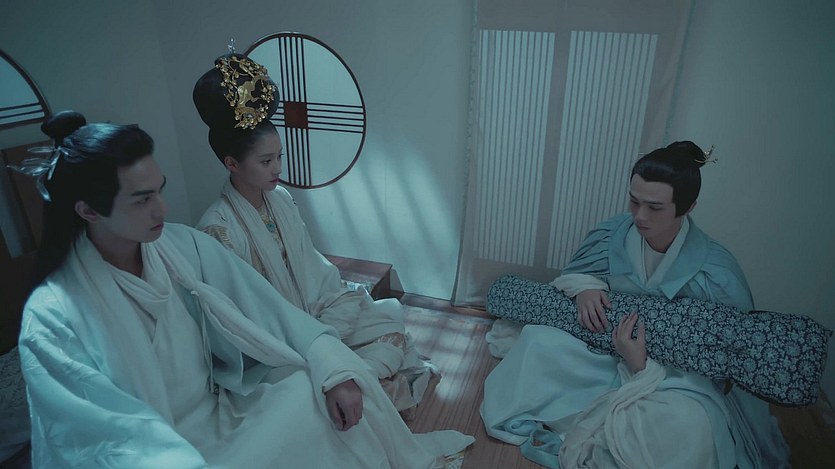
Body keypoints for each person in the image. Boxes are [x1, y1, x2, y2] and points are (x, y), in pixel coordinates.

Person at [16, 111, 473, 468]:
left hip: (219, 414)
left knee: (315, 388)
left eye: (160, 190)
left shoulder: (180, 245)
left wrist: (332, 368)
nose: (162, 209)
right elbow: (100, 439)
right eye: (142, 199)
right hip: (157, 452)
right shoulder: (52, 316)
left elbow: (272, 309)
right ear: (88, 211)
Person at [481, 142, 789, 468]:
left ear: (688, 207)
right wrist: (585, 288)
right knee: (537, 341)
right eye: (634, 201)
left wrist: (642, 366)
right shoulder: (614, 233)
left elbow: (727, 355)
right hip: (604, 353)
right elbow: (579, 271)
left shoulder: (715, 272)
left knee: (688, 424)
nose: (639, 216)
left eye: (654, 207)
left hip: (673, 376)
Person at [192, 53, 432, 414]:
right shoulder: (217, 230)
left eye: (279, 156)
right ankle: (361, 388)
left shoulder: (280, 199)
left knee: (391, 322)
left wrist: (327, 323)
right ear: (232, 163)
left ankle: (358, 387)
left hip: (313, 315)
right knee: (306, 386)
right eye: (265, 161)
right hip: (275, 345)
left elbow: (313, 269)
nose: (277, 168)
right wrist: (310, 337)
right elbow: (240, 322)